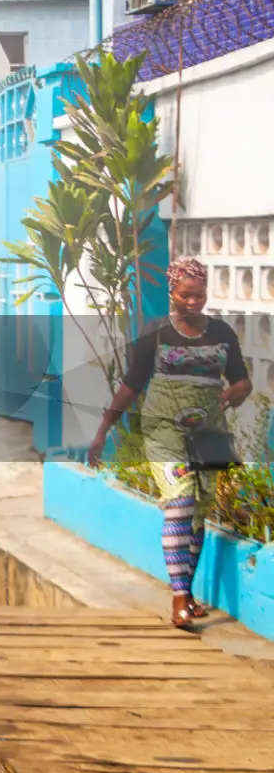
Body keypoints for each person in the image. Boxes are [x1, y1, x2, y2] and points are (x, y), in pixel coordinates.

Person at [86, 257, 251, 629]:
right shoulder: (155, 333)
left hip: (208, 435)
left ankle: (187, 592)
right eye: (185, 295)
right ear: (171, 292)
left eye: (200, 295)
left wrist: (235, 392)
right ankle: (178, 599)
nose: (193, 302)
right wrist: (103, 429)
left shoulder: (222, 333)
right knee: (179, 504)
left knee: (198, 515)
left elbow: (242, 380)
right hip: (164, 432)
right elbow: (131, 385)